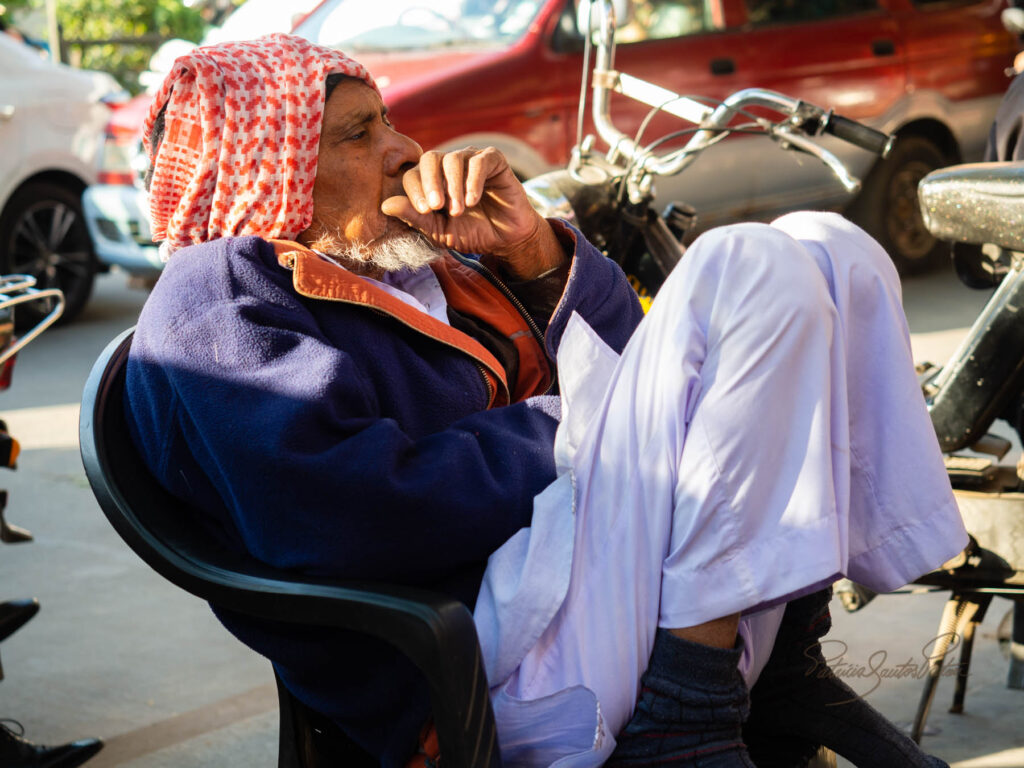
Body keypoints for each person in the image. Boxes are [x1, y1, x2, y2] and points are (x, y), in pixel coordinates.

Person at [124, 33, 967, 767]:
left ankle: (785, 663)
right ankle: (687, 716)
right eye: (359, 133)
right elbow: (350, 516)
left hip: (594, 582)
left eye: (386, 120)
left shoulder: (411, 263)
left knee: (827, 245)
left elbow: (636, 365)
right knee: (745, 262)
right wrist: (577, 426)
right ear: (261, 166)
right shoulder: (218, 298)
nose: (406, 148)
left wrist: (531, 249)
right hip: (498, 658)